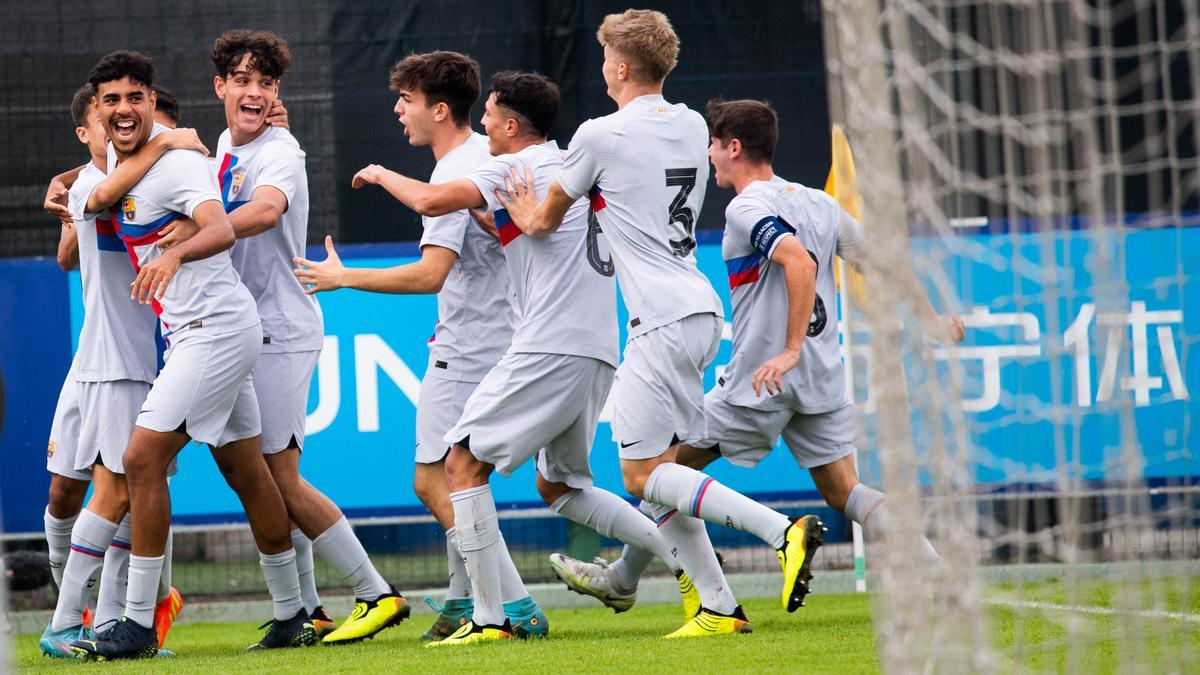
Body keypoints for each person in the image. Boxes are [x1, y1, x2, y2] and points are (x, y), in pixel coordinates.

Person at [551, 98, 965, 614]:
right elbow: (881, 260)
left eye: (713, 145)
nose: (708, 156)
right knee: (846, 491)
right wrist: (931, 320)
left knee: (661, 472)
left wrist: (788, 350)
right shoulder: (820, 203)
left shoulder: (746, 207)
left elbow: (796, 261)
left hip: (762, 382)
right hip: (821, 381)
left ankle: (631, 578)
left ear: (734, 147)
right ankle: (938, 572)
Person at [497, 9, 822, 638]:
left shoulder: (600, 134)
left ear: (619, 67)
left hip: (660, 319)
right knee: (663, 478)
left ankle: (780, 532)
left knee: (643, 475)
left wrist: (516, 206)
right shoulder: (694, 123)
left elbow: (541, 221)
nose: (601, 67)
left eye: (603, 59)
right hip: (698, 309)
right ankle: (719, 608)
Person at [290, 51, 547, 640]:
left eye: (405, 99)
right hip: (502, 336)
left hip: (470, 346)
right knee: (468, 480)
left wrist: (344, 277)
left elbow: (432, 273)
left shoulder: (455, 168)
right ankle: (463, 603)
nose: (397, 110)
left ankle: (514, 603)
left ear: (438, 109)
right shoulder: (484, 156)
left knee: (434, 481)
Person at [68, 50, 312, 660]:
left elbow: (222, 227)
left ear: (152, 101)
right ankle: (292, 613)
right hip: (194, 331)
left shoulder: (181, 166)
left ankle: (139, 622)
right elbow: (96, 202)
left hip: (217, 328)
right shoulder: (106, 176)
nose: (124, 109)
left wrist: (175, 253)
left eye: (135, 97)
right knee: (246, 470)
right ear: (98, 111)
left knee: (140, 459)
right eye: (111, 100)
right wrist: (160, 145)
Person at [190, 28, 407, 645]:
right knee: (252, 476)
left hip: (280, 329)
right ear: (221, 87)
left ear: (277, 90)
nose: (254, 92)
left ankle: (376, 593)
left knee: (277, 477)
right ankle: (306, 610)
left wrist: (182, 244)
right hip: (242, 332)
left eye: (265, 82)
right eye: (243, 80)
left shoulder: (280, 151)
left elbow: (262, 213)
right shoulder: (220, 151)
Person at [38, 83, 201, 658]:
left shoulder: (139, 185)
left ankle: (107, 623)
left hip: (136, 359)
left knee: (128, 491)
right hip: (114, 362)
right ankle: (68, 621)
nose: (121, 127)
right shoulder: (93, 186)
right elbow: (93, 198)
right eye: (107, 118)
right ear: (91, 131)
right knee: (101, 492)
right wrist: (166, 144)